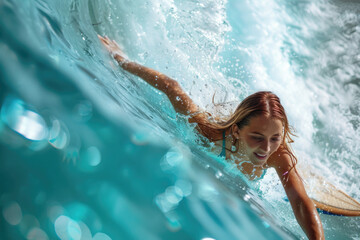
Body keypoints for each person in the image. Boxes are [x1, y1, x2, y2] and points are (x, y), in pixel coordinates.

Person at [98, 35, 325, 240]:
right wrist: (120, 59)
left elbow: (298, 200)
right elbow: (171, 87)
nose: (266, 148)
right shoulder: (207, 132)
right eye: (257, 137)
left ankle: (300, 167)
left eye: (275, 137)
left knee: (291, 166)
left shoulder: (278, 154)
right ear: (237, 131)